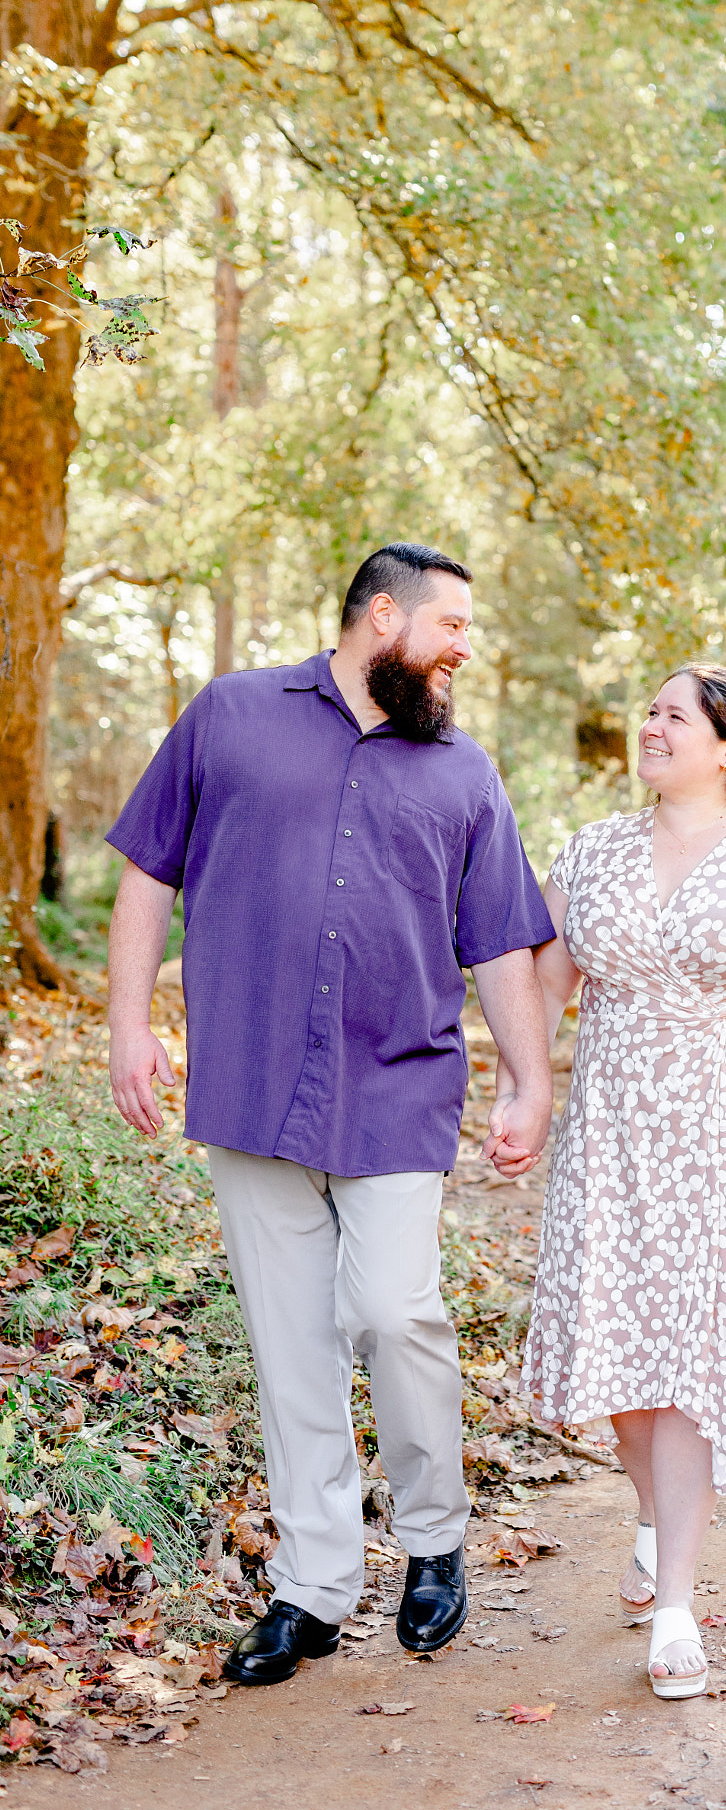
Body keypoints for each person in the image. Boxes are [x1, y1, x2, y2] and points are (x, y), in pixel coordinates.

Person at [105, 543, 555, 1686]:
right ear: (382, 616)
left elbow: (501, 936)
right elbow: (149, 873)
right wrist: (126, 1025)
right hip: (249, 1083)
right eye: (450, 624)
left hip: (399, 1084)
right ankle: (311, 1588)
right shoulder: (232, 715)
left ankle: (434, 1535)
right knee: (291, 1348)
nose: (463, 645)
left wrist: (527, 1076)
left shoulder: (462, 769)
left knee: (398, 1313)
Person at [503, 665, 726, 1699]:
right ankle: (658, 1508)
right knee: (622, 1364)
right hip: (616, 1129)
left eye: (675, 714)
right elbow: (539, 979)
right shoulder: (593, 848)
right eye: (651, 710)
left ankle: (673, 1605)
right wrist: (521, 1088)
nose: (651, 726)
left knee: (693, 1362)